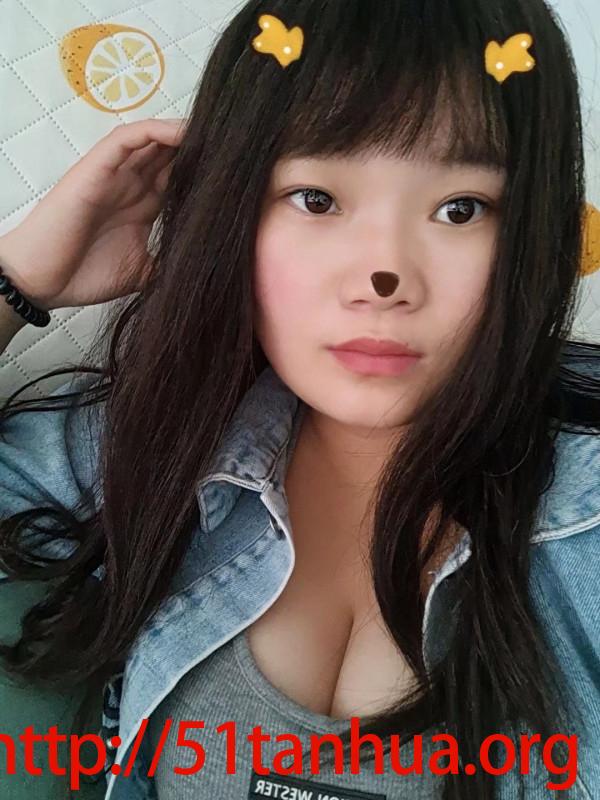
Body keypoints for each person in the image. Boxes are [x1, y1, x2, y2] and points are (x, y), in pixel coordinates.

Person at [0, 0, 598, 798]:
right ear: (234, 213)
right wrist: (19, 280)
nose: (382, 278)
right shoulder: (150, 448)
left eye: (462, 208)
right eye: (316, 199)